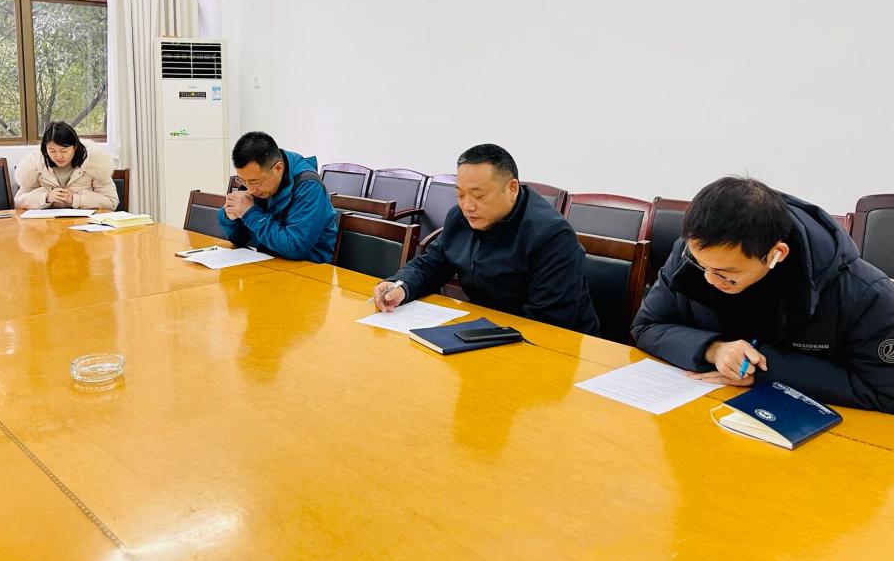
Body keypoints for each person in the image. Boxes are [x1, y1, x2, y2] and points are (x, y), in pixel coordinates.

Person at [632, 177, 894, 413]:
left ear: (776, 254)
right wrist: (713, 349)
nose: (709, 279)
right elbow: (646, 326)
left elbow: (884, 391)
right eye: (701, 265)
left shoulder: (866, 294)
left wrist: (764, 370)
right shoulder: (693, 255)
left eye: (726, 274)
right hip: (703, 410)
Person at [373, 143, 599, 334]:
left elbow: (546, 323)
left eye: (479, 195)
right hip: (489, 327)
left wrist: (472, 335)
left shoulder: (552, 235)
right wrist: (401, 285)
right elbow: (433, 263)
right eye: (460, 194)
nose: (467, 206)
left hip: (551, 345)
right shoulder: (460, 217)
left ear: (511, 189)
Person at [218, 131, 337, 263]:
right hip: (269, 262)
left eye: (255, 182)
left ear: (278, 168)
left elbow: (295, 247)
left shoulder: (308, 187)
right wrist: (231, 217)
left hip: (310, 269)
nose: (250, 190)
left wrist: (250, 214)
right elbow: (239, 239)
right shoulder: (254, 180)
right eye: (243, 181)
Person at [14, 121, 118, 211]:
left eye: (64, 150)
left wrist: (74, 199)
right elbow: (19, 201)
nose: (58, 156)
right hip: (47, 225)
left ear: (75, 146)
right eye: (52, 151)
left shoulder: (94, 162)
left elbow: (111, 202)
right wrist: (46, 197)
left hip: (85, 224)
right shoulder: (35, 164)